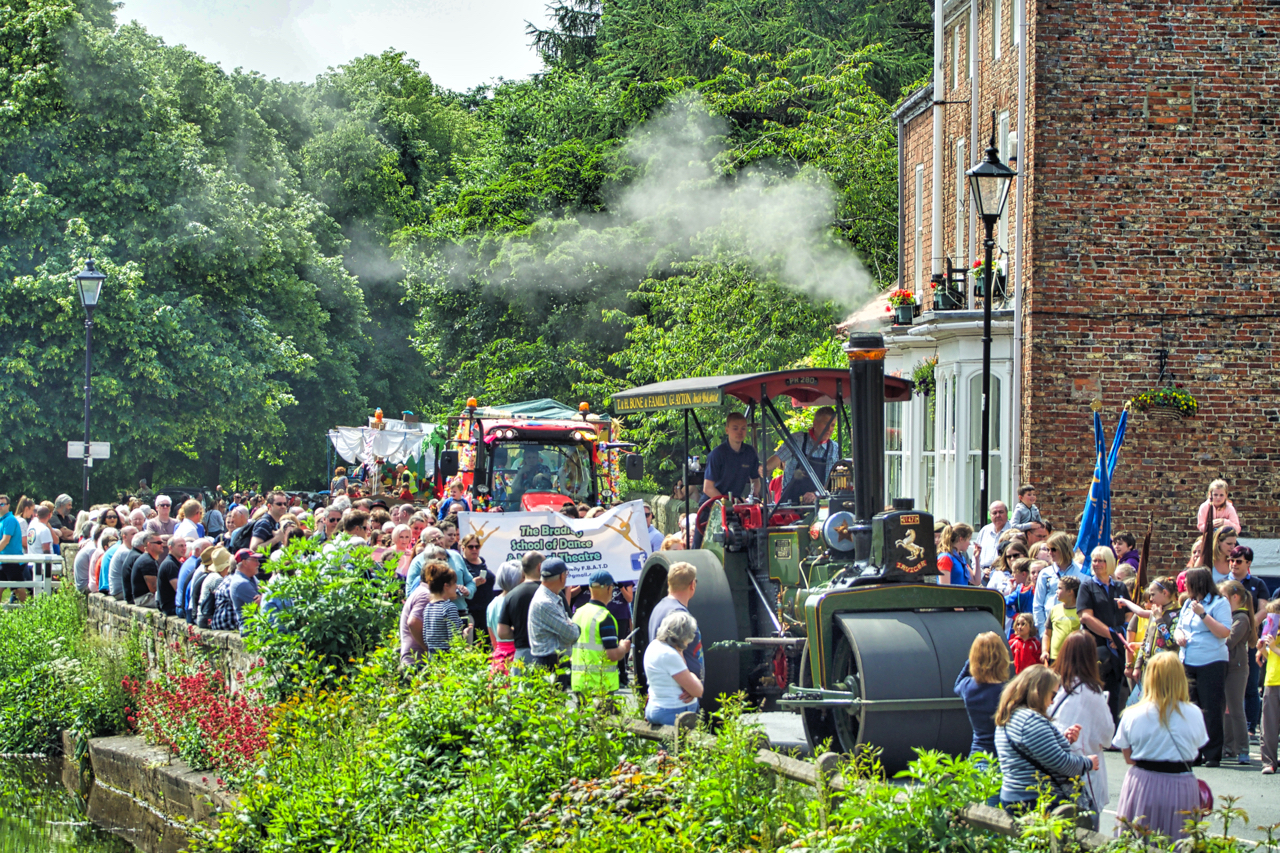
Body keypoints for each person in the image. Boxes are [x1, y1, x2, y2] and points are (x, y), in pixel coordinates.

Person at [1112, 652, 1208, 841]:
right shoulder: (1194, 713)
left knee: (1137, 840)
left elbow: (1128, 757)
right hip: (1181, 784)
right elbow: (1196, 749)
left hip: (1143, 784)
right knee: (1179, 841)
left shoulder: (1132, 714)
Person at [993, 665, 1097, 816]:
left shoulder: (1010, 716)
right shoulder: (1030, 720)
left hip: (1013, 796)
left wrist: (1063, 740)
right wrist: (1088, 763)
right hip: (1037, 800)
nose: (1053, 702)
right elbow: (1062, 764)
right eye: (1053, 695)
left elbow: (1037, 752)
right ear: (1039, 692)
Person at [1050, 632, 1116, 829]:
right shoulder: (1091, 692)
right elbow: (1107, 736)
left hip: (1052, 770)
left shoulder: (1052, 685)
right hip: (1082, 773)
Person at [1175, 567, 1231, 766]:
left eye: (1188, 582)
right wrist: (1178, 635)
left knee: (1211, 707)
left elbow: (1224, 632)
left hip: (1211, 660)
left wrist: (1203, 615)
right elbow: (1179, 626)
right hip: (1188, 660)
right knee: (1191, 707)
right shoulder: (1188, 603)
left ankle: (1213, 753)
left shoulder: (1219, 603)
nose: (1185, 586)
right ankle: (1194, 752)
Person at [1076, 545, 1130, 723]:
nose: (1097, 564)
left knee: (1117, 691)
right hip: (1097, 647)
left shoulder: (1120, 587)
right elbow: (1086, 617)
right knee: (1095, 690)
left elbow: (1129, 616)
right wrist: (1111, 635)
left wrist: (1120, 636)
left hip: (1118, 648)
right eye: (1095, 560)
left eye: (1101, 560)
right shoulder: (1087, 587)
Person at [1225, 546, 1268, 737]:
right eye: (1231, 560)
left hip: (1247, 639)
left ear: (1248, 563)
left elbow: (1264, 609)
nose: (1234, 564)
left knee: (1250, 683)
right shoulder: (1222, 583)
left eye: (1239, 561)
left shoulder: (1258, 584)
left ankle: (1250, 727)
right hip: (1225, 635)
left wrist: (1247, 625)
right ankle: (1228, 730)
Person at [569, 570, 632, 693]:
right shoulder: (604, 617)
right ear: (609, 589)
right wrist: (624, 648)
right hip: (600, 684)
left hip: (579, 683)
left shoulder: (578, 613)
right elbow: (613, 655)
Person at [765, 406, 840, 505]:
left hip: (817, 506)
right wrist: (764, 469)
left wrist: (815, 494)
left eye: (832, 425)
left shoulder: (833, 448)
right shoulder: (797, 440)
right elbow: (777, 458)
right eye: (826, 424)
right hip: (790, 504)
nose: (829, 429)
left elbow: (829, 483)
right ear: (815, 424)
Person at [954, 631, 1011, 759]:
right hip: (1001, 758)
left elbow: (957, 684)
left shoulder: (968, 687)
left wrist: (973, 659)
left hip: (977, 756)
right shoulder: (1008, 691)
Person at [644, 610, 704, 726]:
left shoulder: (654, 646)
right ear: (684, 637)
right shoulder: (670, 655)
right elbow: (698, 691)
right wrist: (693, 677)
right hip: (672, 712)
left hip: (654, 707)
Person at [647, 562, 703, 680]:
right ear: (692, 585)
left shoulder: (659, 607)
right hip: (681, 692)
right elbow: (676, 656)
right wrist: (690, 685)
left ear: (669, 583)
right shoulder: (679, 615)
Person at [1221, 579, 1256, 765]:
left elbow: (1228, 641)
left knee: (1235, 710)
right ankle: (1228, 747)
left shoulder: (1241, 619)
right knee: (1225, 710)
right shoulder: (1229, 617)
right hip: (1226, 666)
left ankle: (1243, 749)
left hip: (1237, 668)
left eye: (1224, 597)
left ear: (1235, 597)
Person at [528, 558, 580, 677]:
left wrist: (569, 625)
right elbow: (572, 634)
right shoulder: (546, 602)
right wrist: (574, 626)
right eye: (566, 574)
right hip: (549, 663)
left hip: (552, 661)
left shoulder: (552, 596)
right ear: (562, 576)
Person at [1122, 577, 1178, 687]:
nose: (1150, 599)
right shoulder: (1154, 613)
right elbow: (1146, 641)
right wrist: (1138, 666)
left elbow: (1171, 642)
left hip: (1166, 669)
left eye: (1153, 595)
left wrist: (1159, 619)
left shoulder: (1177, 614)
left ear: (1164, 593)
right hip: (1148, 667)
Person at [1032, 531, 1089, 635]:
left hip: (1075, 627)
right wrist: (1042, 631)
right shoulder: (1045, 573)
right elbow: (1038, 604)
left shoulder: (1083, 572)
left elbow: (1087, 604)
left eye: (1053, 549)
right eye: (1048, 549)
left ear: (1063, 548)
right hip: (1050, 628)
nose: (1050, 553)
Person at [700, 413, 762, 505]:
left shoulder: (750, 452)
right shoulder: (717, 454)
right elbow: (708, 488)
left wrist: (753, 496)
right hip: (712, 507)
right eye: (735, 428)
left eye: (743, 428)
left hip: (735, 506)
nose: (739, 432)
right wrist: (728, 503)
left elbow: (755, 480)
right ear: (727, 430)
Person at [497, 551, 543, 665]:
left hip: (522, 654)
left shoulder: (512, 595)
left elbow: (502, 632)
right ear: (540, 567)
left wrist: (519, 634)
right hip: (546, 653)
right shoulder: (551, 592)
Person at [209, 549, 263, 633]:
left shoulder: (250, 577)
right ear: (245, 562)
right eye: (255, 560)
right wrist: (264, 597)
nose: (258, 563)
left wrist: (263, 596)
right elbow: (264, 606)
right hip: (250, 633)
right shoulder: (241, 583)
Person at [422, 562, 469, 655]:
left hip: (432, 655)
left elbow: (425, 637)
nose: (456, 586)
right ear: (446, 586)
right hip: (447, 656)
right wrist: (464, 634)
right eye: (454, 583)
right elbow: (454, 639)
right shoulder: (449, 607)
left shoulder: (428, 607)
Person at [486, 561, 524, 672]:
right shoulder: (515, 602)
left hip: (499, 658)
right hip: (515, 657)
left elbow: (493, 639)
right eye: (522, 577)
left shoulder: (492, 604)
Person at [1257, 600, 1280, 774]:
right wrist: (1264, 649)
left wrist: (1274, 647)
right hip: (1271, 681)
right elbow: (1269, 657)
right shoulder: (1273, 632)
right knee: (1269, 725)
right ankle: (1269, 762)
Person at [1041, 575, 1081, 667]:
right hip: (1055, 658)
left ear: (1070, 591)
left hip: (1074, 658)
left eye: (1059, 588)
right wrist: (1045, 651)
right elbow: (1047, 633)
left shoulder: (1081, 611)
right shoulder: (1054, 609)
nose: (1056, 591)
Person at [460, 532, 494, 634]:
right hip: (472, 611)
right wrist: (473, 584)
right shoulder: (462, 566)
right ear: (463, 548)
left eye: (477, 546)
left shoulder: (483, 563)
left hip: (487, 612)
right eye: (470, 547)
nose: (474, 549)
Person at [973, 501, 1012, 576]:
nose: (998, 515)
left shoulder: (1012, 531)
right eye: (994, 513)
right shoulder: (984, 530)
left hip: (1004, 575)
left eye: (1001, 512)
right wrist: (981, 571)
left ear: (1007, 513)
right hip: (983, 575)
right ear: (990, 515)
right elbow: (975, 556)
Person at [129, 532, 164, 608]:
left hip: (147, 597)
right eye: (159, 543)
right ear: (149, 544)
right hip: (144, 599)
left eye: (162, 542)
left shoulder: (150, 559)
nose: (162, 545)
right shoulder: (147, 562)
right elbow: (154, 589)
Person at [156, 537, 186, 616]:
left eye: (185, 545)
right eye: (180, 546)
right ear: (170, 548)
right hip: (170, 607)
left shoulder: (176, 562)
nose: (184, 548)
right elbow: (178, 589)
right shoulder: (170, 564)